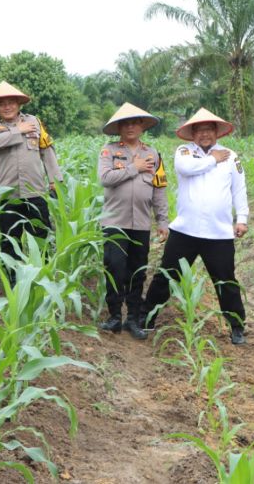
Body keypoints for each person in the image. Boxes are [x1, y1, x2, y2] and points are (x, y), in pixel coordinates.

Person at [139, 108, 249, 345]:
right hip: (185, 230)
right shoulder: (184, 151)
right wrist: (212, 160)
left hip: (218, 232)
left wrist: (242, 218)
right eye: (199, 130)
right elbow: (185, 169)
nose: (205, 134)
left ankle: (237, 327)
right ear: (193, 133)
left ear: (216, 132)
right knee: (166, 276)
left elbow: (239, 189)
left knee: (226, 282)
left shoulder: (231, 156)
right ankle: (146, 318)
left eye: (209, 129)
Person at [98, 103, 169, 340]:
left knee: (137, 272)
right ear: (119, 127)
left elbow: (159, 190)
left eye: (134, 122)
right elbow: (106, 178)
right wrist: (134, 167)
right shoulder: (109, 151)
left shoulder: (153, 154)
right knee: (115, 268)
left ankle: (133, 319)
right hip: (114, 221)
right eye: (125, 123)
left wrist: (162, 221)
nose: (130, 127)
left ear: (141, 126)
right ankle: (115, 316)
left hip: (140, 223)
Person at [0, 81, 63, 263]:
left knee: (42, 237)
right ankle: (13, 282)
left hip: (35, 191)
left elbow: (46, 149)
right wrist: (18, 131)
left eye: (11, 102)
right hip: (6, 194)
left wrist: (54, 180)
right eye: (2, 103)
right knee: (10, 240)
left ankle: (44, 277)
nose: (7, 107)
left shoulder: (33, 121)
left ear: (19, 104)